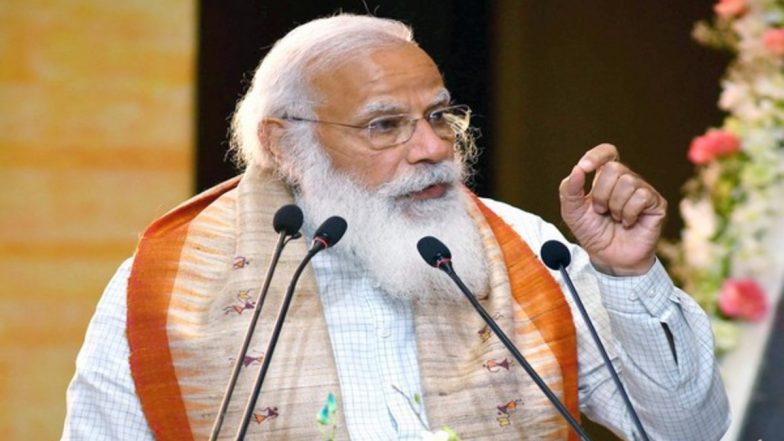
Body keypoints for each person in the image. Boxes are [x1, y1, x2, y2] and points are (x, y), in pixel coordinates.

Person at [62, 14, 730, 441]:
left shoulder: (527, 250)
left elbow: (686, 430)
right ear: (286, 144)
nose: (434, 147)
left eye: (440, 116)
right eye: (386, 125)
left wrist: (628, 275)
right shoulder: (167, 286)